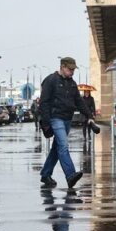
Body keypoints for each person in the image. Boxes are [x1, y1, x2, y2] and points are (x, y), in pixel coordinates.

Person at [39, 57, 95, 189]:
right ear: (62, 67)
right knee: (63, 145)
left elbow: (79, 101)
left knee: (56, 149)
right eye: (70, 69)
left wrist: (89, 115)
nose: (72, 72)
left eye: (73, 69)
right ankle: (70, 175)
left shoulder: (72, 83)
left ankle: (45, 174)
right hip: (55, 118)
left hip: (67, 118)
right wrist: (46, 123)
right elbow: (44, 102)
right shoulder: (50, 80)